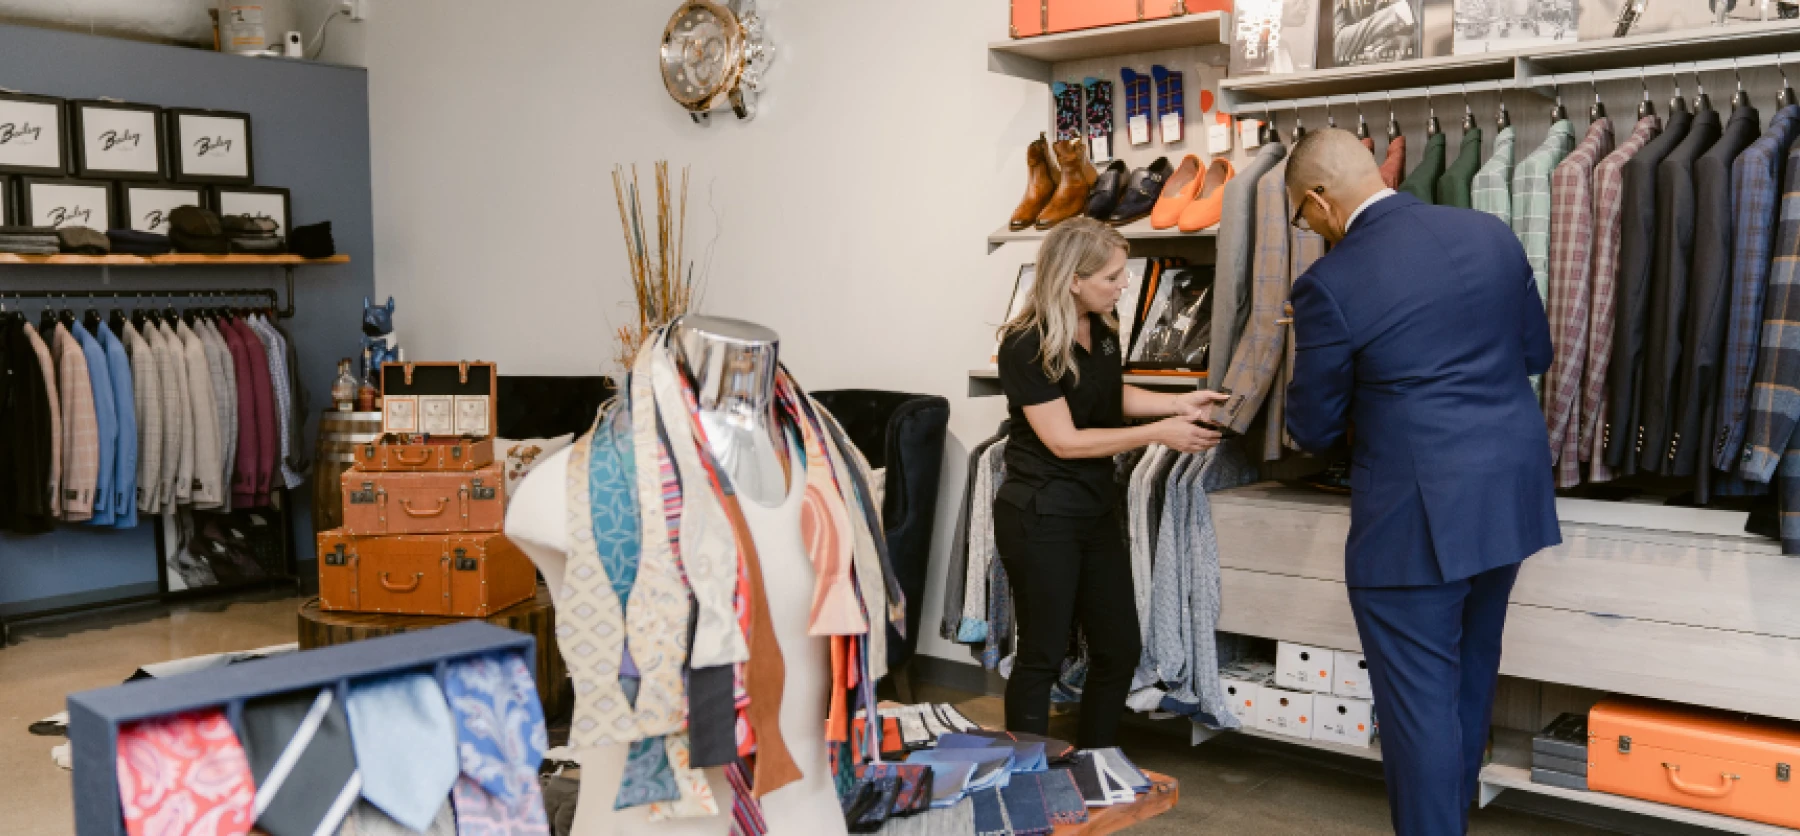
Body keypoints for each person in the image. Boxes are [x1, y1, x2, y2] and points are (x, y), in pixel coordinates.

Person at [1282, 128, 1560, 835]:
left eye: (1301, 214)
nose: (1307, 228)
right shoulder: (1489, 232)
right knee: (1469, 677)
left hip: (1415, 512)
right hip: (1507, 492)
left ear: (1319, 197)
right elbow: (1536, 350)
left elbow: (1310, 429)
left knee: (1417, 705)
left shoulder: (1330, 285)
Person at [994, 217, 1227, 748]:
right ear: (1072, 279)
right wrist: (1160, 434)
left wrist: (1175, 403)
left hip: (1094, 508)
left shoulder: (1101, 326)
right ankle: (1025, 780)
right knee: (1042, 655)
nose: (1125, 284)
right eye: (1113, 276)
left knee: (1118, 648)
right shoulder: (1026, 344)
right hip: (1040, 513)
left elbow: (1107, 396)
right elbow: (1064, 440)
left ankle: (1095, 760)